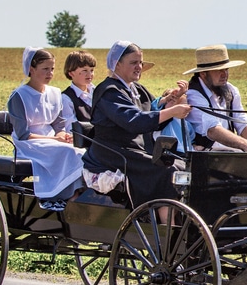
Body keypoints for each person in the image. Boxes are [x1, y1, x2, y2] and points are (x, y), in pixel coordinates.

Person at [82, 40, 191, 208]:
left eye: (140, 62)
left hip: (135, 150)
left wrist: (171, 103)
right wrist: (172, 111)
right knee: (168, 171)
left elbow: (151, 118)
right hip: (113, 152)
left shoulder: (137, 89)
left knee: (183, 165)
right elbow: (135, 121)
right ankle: (167, 227)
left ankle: (181, 216)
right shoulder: (109, 91)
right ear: (117, 64)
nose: (139, 66)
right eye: (133, 62)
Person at [7, 47, 85, 212]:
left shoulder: (54, 93)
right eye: (45, 69)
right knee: (67, 152)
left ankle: (74, 193)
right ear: (32, 69)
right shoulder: (19, 96)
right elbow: (23, 134)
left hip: (50, 140)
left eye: (52, 69)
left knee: (80, 150)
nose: (50, 73)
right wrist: (55, 140)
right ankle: (56, 195)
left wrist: (62, 135)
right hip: (28, 144)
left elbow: (58, 123)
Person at [184, 44, 247, 153]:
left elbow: (242, 122)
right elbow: (212, 130)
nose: (224, 74)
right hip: (204, 156)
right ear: (204, 74)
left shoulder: (231, 90)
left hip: (230, 153)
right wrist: (245, 145)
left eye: (226, 69)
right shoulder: (193, 94)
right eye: (218, 70)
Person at [61, 50, 97, 129]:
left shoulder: (97, 92)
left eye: (91, 70)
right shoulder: (66, 98)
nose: (89, 74)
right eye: (84, 70)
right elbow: (70, 128)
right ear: (71, 73)